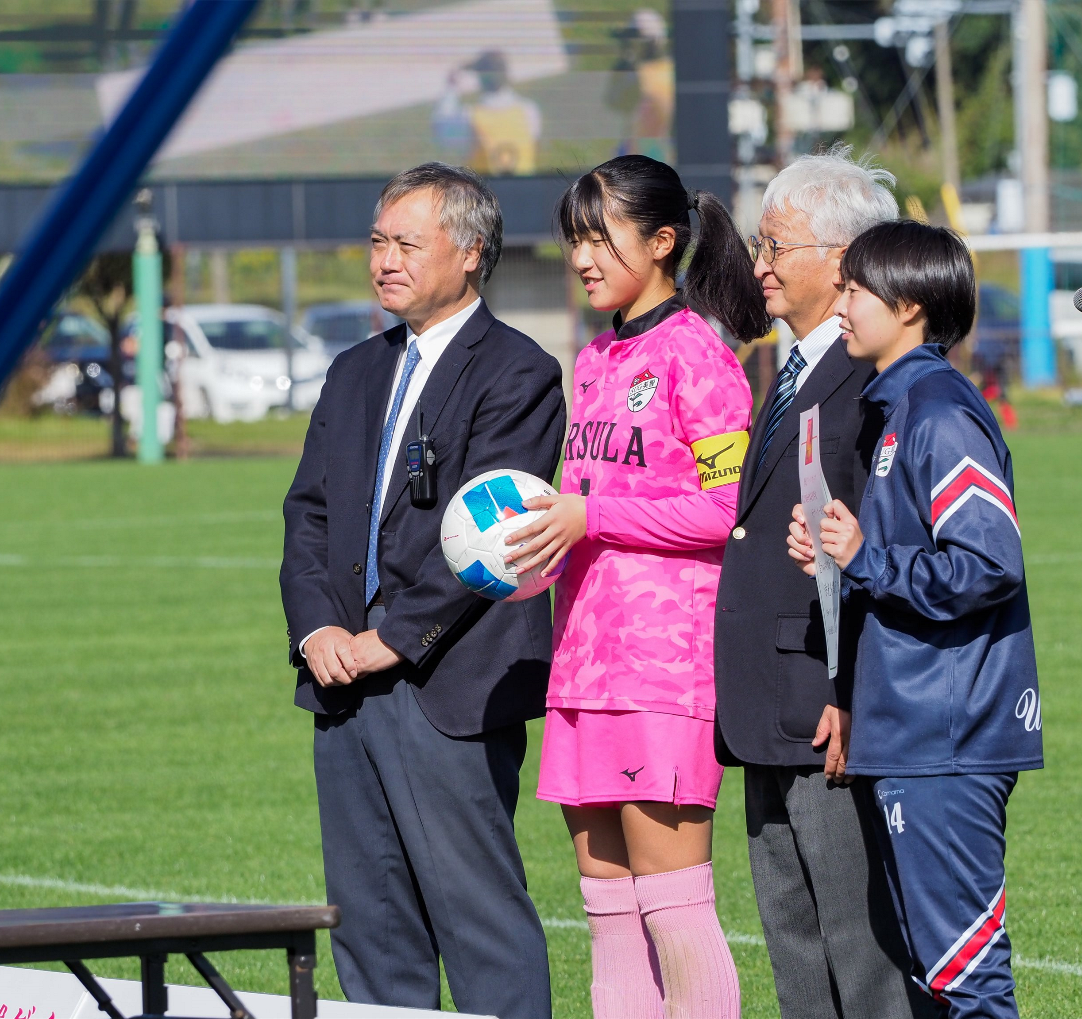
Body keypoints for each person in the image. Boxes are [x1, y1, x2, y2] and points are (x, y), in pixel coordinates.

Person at [280, 163, 565, 1016]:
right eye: (378, 241)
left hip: (449, 689)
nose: (385, 260)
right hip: (343, 687)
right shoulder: (354, 371)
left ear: (471, 253)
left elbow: (495, 533)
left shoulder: (518, 372)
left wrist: (395, 636)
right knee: (370, 932)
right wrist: (318, 629)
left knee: (480, 925)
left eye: (408, 242)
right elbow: (307, 517)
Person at [504, 154, 769, 1019]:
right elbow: (585, 509)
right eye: (574, 239)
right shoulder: (593, 359)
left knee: (674, 906)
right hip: (583, 667)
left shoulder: (700, 355)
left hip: (663, 671)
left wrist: (593, 513)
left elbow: (726, 508)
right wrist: (538, 545)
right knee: (609, 912)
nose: (582, 257)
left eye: (599, 236)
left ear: (662, 241)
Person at [788, 221, 1043, 1018]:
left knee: (967, 977)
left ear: (909, 305)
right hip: (910, 730)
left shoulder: (938, 411)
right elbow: (903, 563)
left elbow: (990, 562)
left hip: (947, 736)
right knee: (933, 975)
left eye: (857, 290)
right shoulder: (895, 406)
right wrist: (838, 558)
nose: (844, 305)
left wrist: (865, 557)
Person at [712, 145, 933, 1019]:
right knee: (794, 944)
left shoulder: (871, 377)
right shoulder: (792, 364)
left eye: (775, 245)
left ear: (841, 259)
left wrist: (851, 689)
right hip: (767, 701)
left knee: (861, 945)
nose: (757, 264)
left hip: (829, 707)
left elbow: (885, 545)